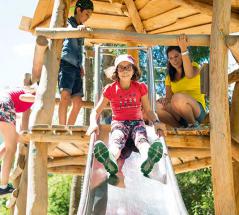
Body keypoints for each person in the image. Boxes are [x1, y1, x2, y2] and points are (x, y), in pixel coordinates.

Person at [86, 54, 166, 176]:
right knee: (116, 139)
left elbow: (149, 110)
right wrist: (93, 123)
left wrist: (156, 122)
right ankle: (110, 158)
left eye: (128, 67)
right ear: (116, 71)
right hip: (119, 123)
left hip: (137, 123)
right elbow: (96, 111)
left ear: (133, 70)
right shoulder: (111, 89)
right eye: (121, 68)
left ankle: (147, 158)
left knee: (142, 139)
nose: (124, 71)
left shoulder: (140, 87)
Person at [156, 34, 206, 128]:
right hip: (180, 114)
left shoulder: (194, 66)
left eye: (176, 56)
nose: (174, 60)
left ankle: (193, 125)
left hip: (197, 112)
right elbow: (169, 99)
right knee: (157, 106)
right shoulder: (169, 78)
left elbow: (189, 75)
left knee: (177, 98)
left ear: (182, 56)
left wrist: (183, 49)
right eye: (171, 58)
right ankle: (180, 128)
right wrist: (164, 100)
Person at [58, 0, 94, 125]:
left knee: (78, 102)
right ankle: (62, 128)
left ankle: (69, 129)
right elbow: (67, 31)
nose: (88, 17)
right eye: (87, 13)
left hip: (77, 67)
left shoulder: (82, 28)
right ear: (78, 10)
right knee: (65, 96)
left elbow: (79, 49)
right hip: (66, 64)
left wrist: (81, 65)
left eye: (90, 15)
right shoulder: (68, 23)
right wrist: (77, 29)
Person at [0, 84, 36, 196]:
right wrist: (40, 98)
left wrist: (21, 137)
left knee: (9, 143)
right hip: (4, 106)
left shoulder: (15, 91)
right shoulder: (32, 93)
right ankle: (3, 186)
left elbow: (20, 123)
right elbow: (23, 98)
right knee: (11, 149)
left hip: (4, 106)